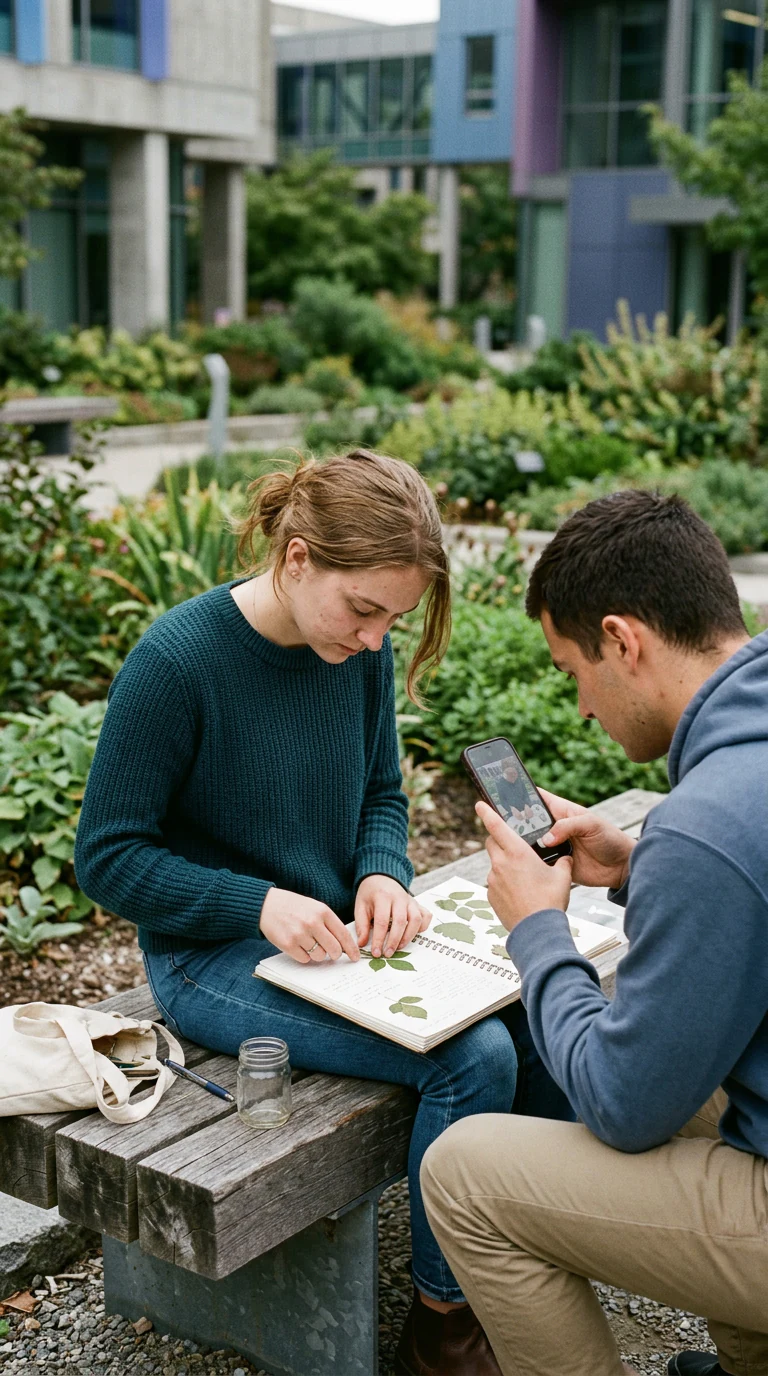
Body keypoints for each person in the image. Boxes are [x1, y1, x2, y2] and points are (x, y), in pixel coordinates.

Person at [74, 449, 570, 1376]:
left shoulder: (351, 652)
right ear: (297, 557)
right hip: (209, 960)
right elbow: (106, 859)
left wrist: (384, 871)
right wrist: (255, 902)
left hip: (337, 939)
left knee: (531, 1011)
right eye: (366, 608)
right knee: (474, 1059)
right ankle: (444, 1323)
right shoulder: (175, 664)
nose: (379, 638)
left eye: (396, 618)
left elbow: (383, 793)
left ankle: (520, 1274)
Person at [421, 490, 768, 1376]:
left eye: (573, 669)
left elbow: (621, 1105)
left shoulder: (707, 824)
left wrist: (539, 930)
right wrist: (636, 861)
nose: (580, 705)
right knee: (703, 1078)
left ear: (623, 640)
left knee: (464, 1175)